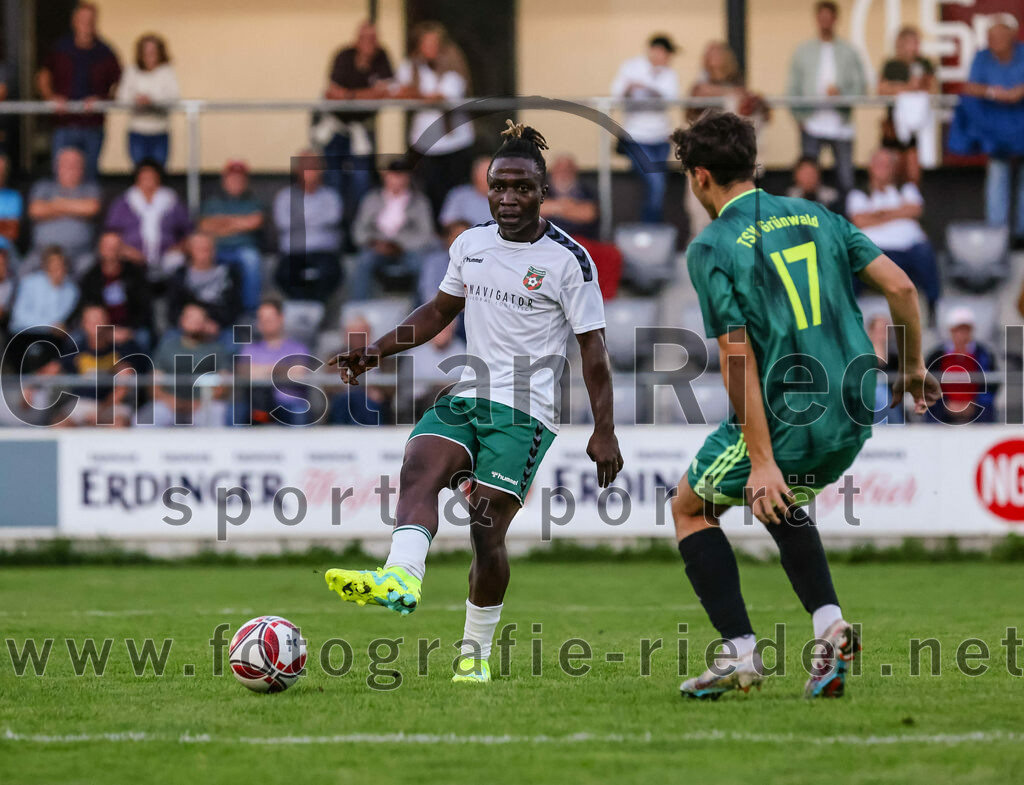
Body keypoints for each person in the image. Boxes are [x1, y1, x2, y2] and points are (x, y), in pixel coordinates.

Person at [323, 121, 622, 684]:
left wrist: (604, 429)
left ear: (542, 192)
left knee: (485, 531)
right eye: (498, 187)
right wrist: (376, 350)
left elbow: (594, 350)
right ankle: (401, 575)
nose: (508, 198)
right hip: (469, 392)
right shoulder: (469, 244)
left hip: (525, 413)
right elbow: (439, 312)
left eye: (521, 188)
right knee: (419, 464)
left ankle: (474, 655)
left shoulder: (570, 261)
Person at [669, 111, 939, 700]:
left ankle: (740, 653)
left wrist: (762, 459)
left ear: (700, 177)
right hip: (855, 403)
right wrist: (913, 366)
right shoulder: (819, 215)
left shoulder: (712, 244)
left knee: (690, 509)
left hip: (792, 408)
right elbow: (901, 287)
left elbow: (736, 355)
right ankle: (830, 630)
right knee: (779, 503)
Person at [950, 18, 1024, 248]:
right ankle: (997, 235)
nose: (995, 42)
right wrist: (994, 92)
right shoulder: (981, 57)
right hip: (995, 130)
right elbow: (969, 87)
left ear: (1012, 37)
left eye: (1000, 37)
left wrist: (1018, 92)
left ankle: (1021, 235)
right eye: (991, 38)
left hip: (1021, 125)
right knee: (997, 177)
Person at [847, 148, 941, 322]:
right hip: (873, 253)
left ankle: (933, 306)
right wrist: (899, 212)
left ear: (894, 168)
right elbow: (859, 220)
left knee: (925, 252)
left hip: (908, 251)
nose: (882, 168)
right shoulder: (859, 193)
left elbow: (915, 210)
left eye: (887, 164)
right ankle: (847, 316)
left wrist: (878, 215)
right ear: (870, 167)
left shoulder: (906, 189)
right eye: (878, 163)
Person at [393, 22, 475, 218]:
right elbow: (398, 92)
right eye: (426, 42)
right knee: (429, 194)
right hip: (425, 142)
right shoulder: (411, 65)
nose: (430, 47)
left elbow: (442, 97)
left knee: (455, 194)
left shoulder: (453, 63)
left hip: (456, 141)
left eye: (434, 42)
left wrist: (415, 94)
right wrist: (419, 95)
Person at [787, 1, 867, 195]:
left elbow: (860, 85)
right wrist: (798, 117)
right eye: (821, 18)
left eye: (828, 18)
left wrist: (842, 95)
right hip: (811, 121)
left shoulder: (848, 51)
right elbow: (793, 86)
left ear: (835, 20)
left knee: (846, 177)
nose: (825, 22)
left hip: (841, 122)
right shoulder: (803, 51)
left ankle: (846, 212)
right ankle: (807, 213)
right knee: (808, 178)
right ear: (816, 19)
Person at [36, 2, 122, 179]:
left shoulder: (105, 52)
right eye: (83, 19)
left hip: (93, 126)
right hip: (64, 125)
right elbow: (43, 77)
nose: (86, 23)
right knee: (61, 177)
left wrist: (102, 100)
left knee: (89, 176)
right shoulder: (60, 48)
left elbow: (120, 84)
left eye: (90, 19)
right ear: (74, 21)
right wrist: (51, 97)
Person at [322, 21, 394, 222]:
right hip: (336, 126)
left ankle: (359, 226)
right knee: (333, 177)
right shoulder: (344, 55)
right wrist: (367, 94)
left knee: (361, 179)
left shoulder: (382, 57)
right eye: (364, 38)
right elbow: (332, 93)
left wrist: (350, 94)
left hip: (363, 128)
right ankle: (336, 225)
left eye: (373, 38)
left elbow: (386, 92)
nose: (368, 42)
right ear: (356, 40)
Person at [610, 34, 680, 223]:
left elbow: (672, 99)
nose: (667, 58)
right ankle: (651, 226)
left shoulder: (669, 74)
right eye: (666, 53)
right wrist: (632, 88)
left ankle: (651, 228)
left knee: (657, 184)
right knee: (656, 182)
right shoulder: (631, 67)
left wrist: (645, 87)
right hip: (636, 138)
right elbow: (616, 96)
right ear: (656, 50)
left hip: (661, 138)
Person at [350, 158, 436, 301]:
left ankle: (419, 309)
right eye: (394, 176)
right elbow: (358, 230)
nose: (397, 181)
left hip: (408, 250)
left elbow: (426, 234)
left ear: (408, 178)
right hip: (377, 248)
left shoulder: (419, 201)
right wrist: (374, 243)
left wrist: (400, 245)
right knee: (363, 262)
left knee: (422, 265)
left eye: (401, 176)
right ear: (386, 176)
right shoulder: (371, 199)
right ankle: (359, 307)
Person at [137, 301, 233, 427]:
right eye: (190, 317)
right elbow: (153, 385)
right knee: (145, 422)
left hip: (204, 405)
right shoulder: (167, 347)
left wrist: (198, 403)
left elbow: (224, 386)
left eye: (199, 318)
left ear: (206, 322)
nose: (195, 322)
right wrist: (170, 401)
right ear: (181, 320)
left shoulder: (217, 349)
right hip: (169, 404)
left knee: (217, 413)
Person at [272, 149, 343, 302]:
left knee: (331, 273)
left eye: (313, 167)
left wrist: (299, 220)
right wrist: (316, 219)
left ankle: (318, 307)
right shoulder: (285, 196)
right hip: (294, 251)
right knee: (284, 275)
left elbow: (333, 218)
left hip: (323, 251)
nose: (309, 171)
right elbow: (282, 222)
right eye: (305, 166)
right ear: (297, 170)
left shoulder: (330, 196)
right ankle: (301, 306)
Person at [105, 159, 191, 280]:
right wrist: (126, 250)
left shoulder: (172, 201)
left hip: (167, 258)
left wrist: (178, 247)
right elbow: (111, 234)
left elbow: (188, 231)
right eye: (144, 177)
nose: (148, 181)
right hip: (130, 257)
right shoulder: (123, 203)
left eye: (152, 177)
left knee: (177, 263)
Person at [198, 160, 264, 312]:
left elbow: (254, 222)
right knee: (201, 255)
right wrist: (240, 223)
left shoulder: (253, 202)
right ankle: (205, 308)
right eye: (232, 178)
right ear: (224, 180)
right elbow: (204, 226)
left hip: (243, 250)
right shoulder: (212, 203)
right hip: (217, 249)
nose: (236, 181)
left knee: (252, 259)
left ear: (246, 181)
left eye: (240, 178)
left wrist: (222, 222)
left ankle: (250, 310)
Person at [56, 303, 136, 427]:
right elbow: (53, 368)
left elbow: (123, 386)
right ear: (83, 324)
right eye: (91, 321)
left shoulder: (121, 348)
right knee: (60, 424)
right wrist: (30, 387)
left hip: (113, 404)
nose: (96, 325)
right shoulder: (76, 348)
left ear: (107, 322)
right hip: (82, 402)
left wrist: (100, 411)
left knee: (119, 424)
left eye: (99, 320)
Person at [26, 147, 101, 273]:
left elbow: (91, 208)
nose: (71, 168)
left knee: (91, 269)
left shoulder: (90, 188)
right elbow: (35, 210)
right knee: (24, 272)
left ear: (83, 168)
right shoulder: (43, 187)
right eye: (66, 164)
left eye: (76, 164)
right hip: (42, 254)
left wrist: (55, 205)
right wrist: (75, 208)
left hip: (79, 255)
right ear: (56, 166)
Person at [877, 26, 937, 185]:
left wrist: (912, 87)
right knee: (892, 168)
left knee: (913, 170)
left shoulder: (924, 64)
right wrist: (907, 88)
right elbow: (882, 89)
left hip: (917, 125)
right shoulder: (891, 65)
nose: (915, 47)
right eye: (912, 43)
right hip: (893, 124)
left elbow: (932, 87)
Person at [240, 298, 313, 426]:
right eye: (261, 319)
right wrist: (282, 369)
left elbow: (299, 373)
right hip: (258, 405)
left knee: (299, 411)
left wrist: (263, 370)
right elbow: (244, 372)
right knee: (237, 411)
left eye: (269, 318)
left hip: (289, 403)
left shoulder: (297, 348)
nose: (265, 322)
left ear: (281, 318)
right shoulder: (250, 349)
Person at [79, 232, 152, 348]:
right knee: (76, 339)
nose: (111, 251)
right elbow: (89, 309)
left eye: (115, 247)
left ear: (122, 249)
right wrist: (106, 332)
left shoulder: (135, 274)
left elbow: (144, 308)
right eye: (107, 247)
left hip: (131, 327)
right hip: (99, 328)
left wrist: (129, 330)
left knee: (143, 338)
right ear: (100, 249)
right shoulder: (91, 277)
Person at [116, 33, 179, 167]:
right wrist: (136, 100)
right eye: (146, 51)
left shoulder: (167, 72)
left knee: (159, 171)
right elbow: (122, 97)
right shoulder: (131, 71)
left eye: (153, 51)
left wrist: (153, 101)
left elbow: (173, 98)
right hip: (137, 131)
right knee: (139, 171)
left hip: (160, 131)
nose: (149, 55)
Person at [925, 307, 997, 425]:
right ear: (951, 331)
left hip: (975, 403)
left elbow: (992, 383)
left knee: (986, 406)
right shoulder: (936, 355)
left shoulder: (983, 354)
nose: (962, 334)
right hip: (944, 403)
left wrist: (973, 402)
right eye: (958, 330)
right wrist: (946, 402)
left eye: (965, 330)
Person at [327, 313, 394, 426]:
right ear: (345, 336)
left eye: (362, 334)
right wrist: (359, 390)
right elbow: (327, 385)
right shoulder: (334, 357)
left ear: (369, 334)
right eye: (353, 335)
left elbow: (392, 385)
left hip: (374, 404)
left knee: (362, 401)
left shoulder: (384, 357)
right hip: (344, 401)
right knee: (351, 398)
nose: (358, 339)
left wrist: (380, 392)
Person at [165, 232, 243, 330]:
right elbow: (172, 311)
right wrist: (189, 323)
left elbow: (235, 308)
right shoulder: (179, 276)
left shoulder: (229, 273)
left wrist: (212, 324)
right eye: (199, 249)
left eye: (207, 248)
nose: (204, 253)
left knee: (241, 334)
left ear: (214, 250)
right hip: (186, 326)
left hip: (220, 326)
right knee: (168, 339)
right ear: (190, 251)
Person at [9, 247, 79, 335]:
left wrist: (54, 326)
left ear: (66, 266)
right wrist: (50, 325)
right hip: (22, 334)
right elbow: (19, 316)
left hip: (51, 337)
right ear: (45, 266)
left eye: (60, 264)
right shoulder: (29, 282)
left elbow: (62, 320)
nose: (56, 267)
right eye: (52, 263)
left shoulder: (72, 290)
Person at [539, 153, 599, 240]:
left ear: (575, 171)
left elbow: (589, 214)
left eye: (568, 169)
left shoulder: (585, 189)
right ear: (552, 171)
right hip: (548, 238)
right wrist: (569, 206)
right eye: (559, 169)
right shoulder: (541, 189)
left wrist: (552, 207)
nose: (564, 173)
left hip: (580, 238)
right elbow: (536, 211)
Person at [866, 313, 903, 424]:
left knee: (881, 392)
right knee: (878, 390)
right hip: (867, 403)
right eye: (880, 330)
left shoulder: (896, 359)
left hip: (892, 403)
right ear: (871, 332)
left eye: (886, 330)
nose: (883, 334)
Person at [438, 155, 492, 230]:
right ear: (474, 175)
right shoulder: (459, 195)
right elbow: (448, 224)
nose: (487, 178)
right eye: (483, 173)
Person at [0, 154, 23, 254]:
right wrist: (4, 223)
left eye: (2, 171)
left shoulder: (14, 196)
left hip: (6, 252)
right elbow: (7, 227)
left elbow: (13, 231)